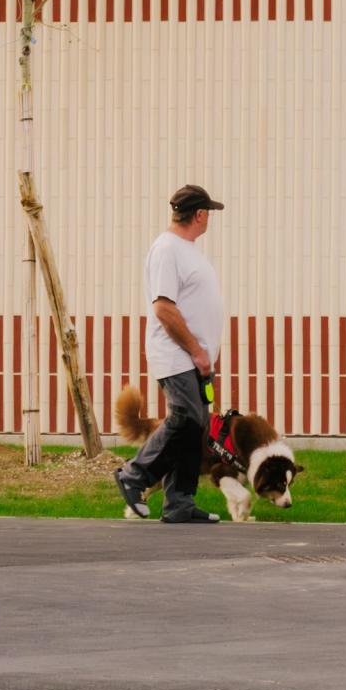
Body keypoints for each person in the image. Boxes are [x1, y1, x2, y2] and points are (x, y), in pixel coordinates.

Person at [117, 183, 225, 526]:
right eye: (209, 213)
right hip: (178, 355)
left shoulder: (186, 248)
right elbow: (164, 308)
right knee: (186, 418)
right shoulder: (167, 249)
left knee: (197, 428)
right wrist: (195, 349)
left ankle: (179, 501)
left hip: (196, 359)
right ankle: (135, 474)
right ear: (200, 214)